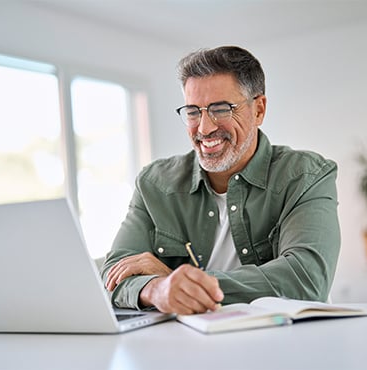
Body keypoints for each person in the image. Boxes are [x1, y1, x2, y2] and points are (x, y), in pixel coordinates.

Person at [102, 46, 340, 315]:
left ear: (258, 110)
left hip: (284, 342)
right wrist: (157, 289)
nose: (204, 128)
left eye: (221, 109)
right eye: (193, 112)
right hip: (186, 346)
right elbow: (114, 273)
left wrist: (181, 283)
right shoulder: (153, 184)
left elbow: (306, 279)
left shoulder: (306, 176)